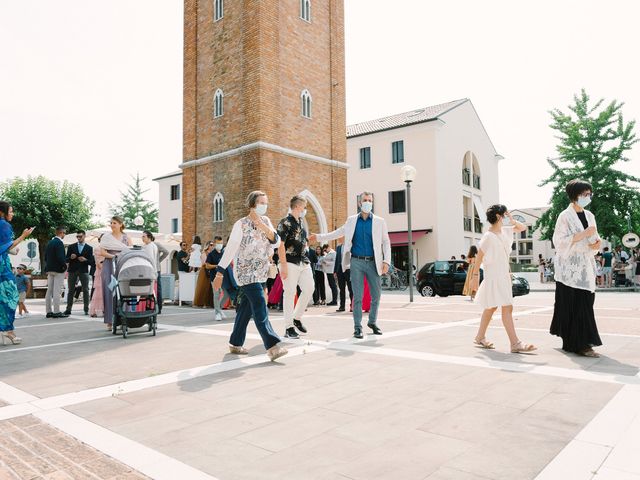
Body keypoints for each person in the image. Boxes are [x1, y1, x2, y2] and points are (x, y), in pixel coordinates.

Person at [212, 191, 287, 361]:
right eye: (261, 202)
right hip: (245, 273)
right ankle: (272, 346)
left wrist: (262, 226)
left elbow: (276, 241)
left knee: (245, 309)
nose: (264, 205)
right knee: (260, 304)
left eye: (265, 202)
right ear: (252, 204)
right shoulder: (241, 224)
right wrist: (220, 272)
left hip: (261, 272)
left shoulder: (266, 221)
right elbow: (230, 248)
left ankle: (235, 343)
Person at [310, 191, 391, 339]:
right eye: (365, 200)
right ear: (360, 203)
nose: (368, 203)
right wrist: (319, 237)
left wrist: (386, 261)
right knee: (357, 296)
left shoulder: (380, 221)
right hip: (356, 262)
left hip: (374, 262)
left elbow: (386, 242)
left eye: (370, 200)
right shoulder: (352, 220)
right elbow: (337, 233)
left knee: (376, 295)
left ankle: (372, 322)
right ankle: (357, 327)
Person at [470, 205, 536, 353]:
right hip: (493, 277)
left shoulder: (505, 231)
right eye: (505, 215)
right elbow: (479, 258)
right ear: (499, 217)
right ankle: (515, 343)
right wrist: (474, 278)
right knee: (503, 307)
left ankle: (480, 336)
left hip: (503, 276)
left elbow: (522, 227)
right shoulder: (488, 237)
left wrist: (512, 219)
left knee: (492, 307)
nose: (506, 217)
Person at [550, 180, 602, 357]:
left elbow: (594, 242)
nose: (588, 197)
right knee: (573, 305)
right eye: (584, 194)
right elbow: (559, 242)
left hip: (586, 267)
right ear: (574, 196)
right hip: (569, 270)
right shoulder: (564, 216)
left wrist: (597, 244)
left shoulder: (590, 215)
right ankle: (581, 345)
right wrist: (583, 234)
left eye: (589, 194)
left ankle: (578, 342)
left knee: (586, 304)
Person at [276, 196, 315, 339]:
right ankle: (288, 327)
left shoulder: (300, 223)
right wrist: (283, 265)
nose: (305, 210)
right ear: (298, 207)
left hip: (303, 261)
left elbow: (302, 241)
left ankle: (296, 318)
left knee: (309, 288)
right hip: (289, 261)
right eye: (304, 207)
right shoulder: (285, 223)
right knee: (290, 292)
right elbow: (280, 244)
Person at [0, 202, 34, 345]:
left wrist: (12, 249)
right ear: (2, 212)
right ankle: (8, 330)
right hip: (2, 269)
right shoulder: (3, 224)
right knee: (12, 297)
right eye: (11, 211)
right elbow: (7, 245)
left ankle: (8, 330)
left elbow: (5, 247)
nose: (12, 214)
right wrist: (23, 236)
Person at [100, 216, 132, 330]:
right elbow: (102, 252)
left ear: (120, 224)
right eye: (111, 223)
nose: (112, 225)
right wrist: (114, 256)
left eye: (114, 223)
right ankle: (110, 321)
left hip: (122, 265)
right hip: (109, 265)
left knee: (124, 291)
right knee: (109, 291)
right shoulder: (106, 237)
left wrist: (120, 258)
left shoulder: (126, 237)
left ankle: (125, 318)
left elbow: (130, 251)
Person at [64, 230, 94, 316]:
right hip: (72, 270)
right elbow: (66, 259)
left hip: (83, 271)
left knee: (85, 290)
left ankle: (86, 309)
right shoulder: (71, 246)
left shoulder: (89, 248)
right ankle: (68, 309)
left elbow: (91, 262)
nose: (79, 238)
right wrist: (71, 257)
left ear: (84, 236)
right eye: (77, 236)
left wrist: (85, 260)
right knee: (71, 290)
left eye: (80, 236)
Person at [44, 226, 68, 318]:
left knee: (49, 291)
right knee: (57, 291)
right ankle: (57, 311)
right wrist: (65, 266)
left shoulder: (50, 242)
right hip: (58, 270)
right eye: (64, 233)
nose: (64, 235)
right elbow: (60, 257)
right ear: (61, 233)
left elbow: (45, 257)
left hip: (50, 269)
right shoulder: (59, 243)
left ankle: (48, 311)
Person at [206, 236, 231, 320]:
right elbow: (207, 266)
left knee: (227, 293)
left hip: (224, 277)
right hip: (215, 277)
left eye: (221, 243)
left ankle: (219, 309)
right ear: (214, 243)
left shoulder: (223, 253)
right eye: (218, 243)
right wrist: (217, 266)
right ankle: (217, 313)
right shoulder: (211, 254)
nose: (220, 245)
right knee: (216, 295)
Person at [193, 240, 214, 308]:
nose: (211, 246)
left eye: (212, 245)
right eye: (210, 245)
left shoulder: (212, 253)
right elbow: (204, 263)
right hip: (204, 271)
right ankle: (200, 302)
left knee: (209, 287)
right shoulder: (204, 253)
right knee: (203, 286)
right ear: (208, 245)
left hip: (211, 270)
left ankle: (208, 303)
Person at [89, 235, 105, 318]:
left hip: (108, 272)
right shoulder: (97, 249)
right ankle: (94, 310)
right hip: (101, 272)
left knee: (106, 291)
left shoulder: (107, 249)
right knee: (99, 291)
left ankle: (105, 309)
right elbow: (98, 263)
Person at [334, 240, 352, 312]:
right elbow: (337, 259)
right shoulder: (338, 247)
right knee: (341, 289)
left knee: (351, 288)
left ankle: (352, 306)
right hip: (340, 270)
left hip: (349, 269)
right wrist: (335, 271)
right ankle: (342, 306)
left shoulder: (350, 246)